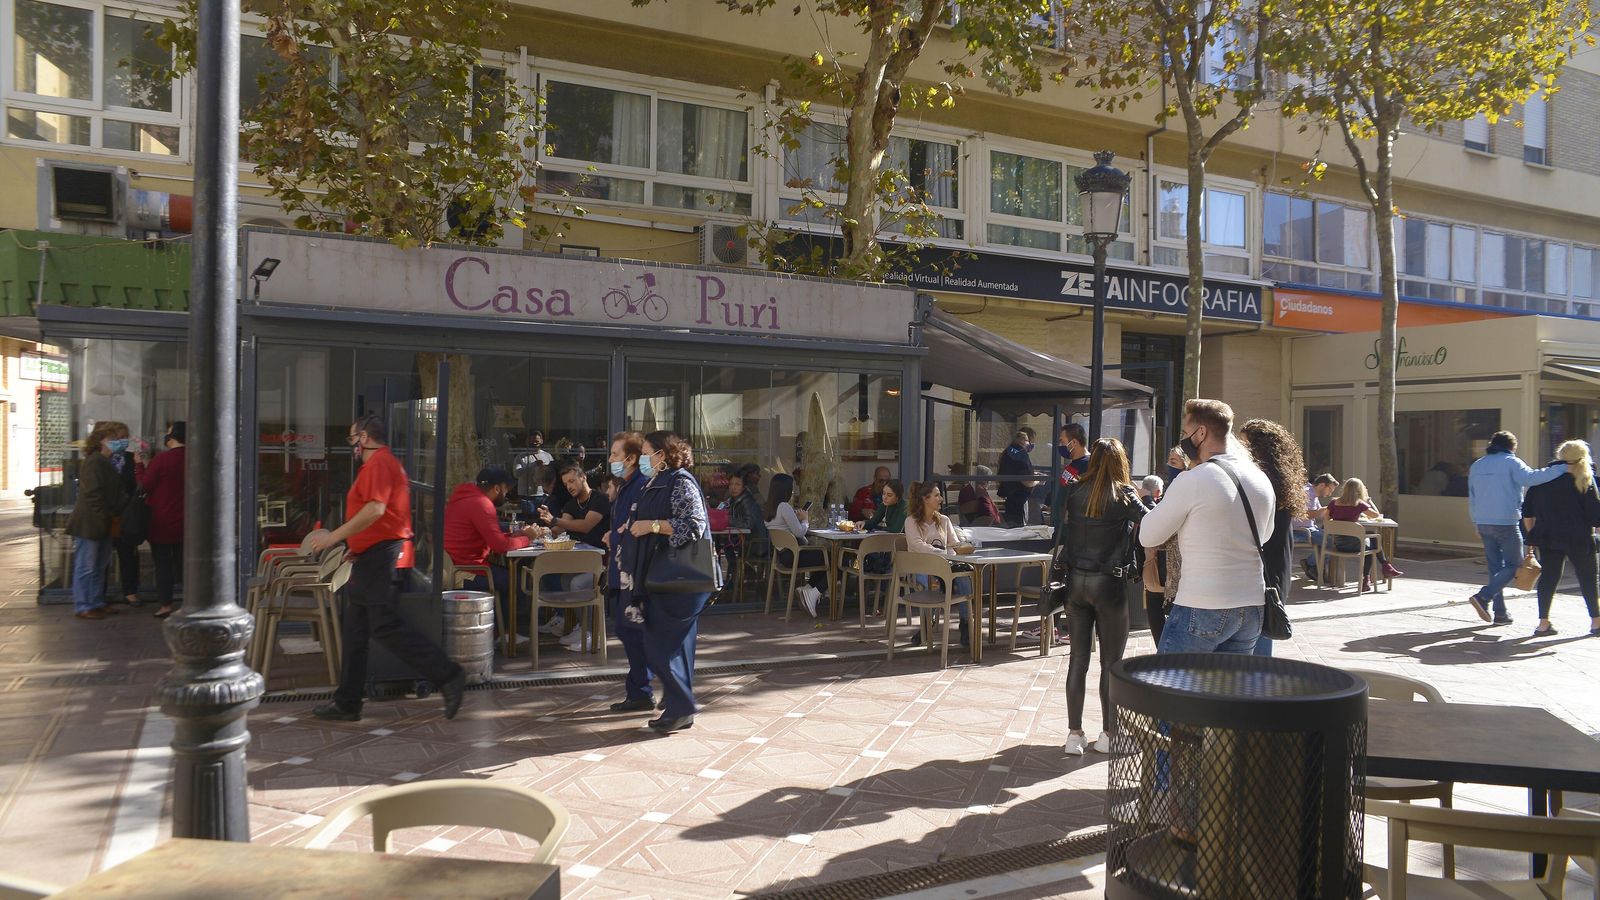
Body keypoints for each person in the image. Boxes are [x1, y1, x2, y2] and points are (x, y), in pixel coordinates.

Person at [311, 415, 466, 722]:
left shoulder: (380, 463)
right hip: (371, 556)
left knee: (383, 625)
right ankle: (347, 702)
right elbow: (376, 516)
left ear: (364, 437)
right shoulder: (377, 465)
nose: (351, 445)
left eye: (352, 438)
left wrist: (334, 537)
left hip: (382, 557)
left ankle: (448, 675)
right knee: (355, 630)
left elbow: (375, 509)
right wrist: (356, 547)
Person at [1139, 399, 1275, 655]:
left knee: (1171, 679)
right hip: (1251, 605)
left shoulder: (1194, 479)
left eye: (1185, 432)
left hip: (1202, 603)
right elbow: (1264, 535)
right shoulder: (1260, 478)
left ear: (1200, 432)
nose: (1183, 439)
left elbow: (1148, 535)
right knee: (1228, 682)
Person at [1057, 438, 1147, 756]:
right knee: (1111, 662)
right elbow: (1151, 522)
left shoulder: (1076, 490)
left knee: (1077, 660)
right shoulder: (1123, 494)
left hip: (1075, 582)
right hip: (1108, 583)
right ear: (1121, 462)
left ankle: (1074, 734)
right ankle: (1109, 734)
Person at [626, 431, 713, 734]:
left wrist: (650, 526)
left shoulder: (680, 481)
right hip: (664, 578)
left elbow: (694, 525)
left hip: (678, 580)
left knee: (658, 646)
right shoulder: (657, 482)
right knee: (677, 648)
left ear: (661, 455)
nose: (642, 458)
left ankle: (681, 706)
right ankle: (679, 707)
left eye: (646, 452)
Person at [1467, 430, 1567, 625]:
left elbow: (1472, 496)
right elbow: (1530, 478)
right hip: (1506, 522)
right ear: (1512, 446)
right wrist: (1561, 468)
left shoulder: (1477, 465)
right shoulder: (1512, 462)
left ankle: (1500, 613)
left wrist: (1475, 522)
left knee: (1495, 568)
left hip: (1483, 522)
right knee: (1514, 564)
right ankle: (1483, 596)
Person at [1238, 419, 1310, 658]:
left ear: (1259, 449)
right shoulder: (1279, 481)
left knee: (1259, 637)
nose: (1238, 449)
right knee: (1262, 635)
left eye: (1244, 445)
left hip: (1264, 568)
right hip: (1275, 565)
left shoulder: (1260, 482)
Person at [1523, 440, 1600, 637]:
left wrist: (1532, 537)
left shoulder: (1543, 478)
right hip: (1579, 537)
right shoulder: (1585, 479)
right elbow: (1595, 516)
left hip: (1548, 537)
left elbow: (1527, 512)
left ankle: (1543, 624)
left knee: (1548, 578)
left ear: (1560, 456)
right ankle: (1596, 622)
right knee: (1588, 579)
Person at [605, 431, 656, 714]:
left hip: (633, 572)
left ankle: (642, 690)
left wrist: (616, 535)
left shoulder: (640, 486)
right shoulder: (625, 486)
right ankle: (640, 690)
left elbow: (635, 526)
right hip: (623, 568)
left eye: (615, 454)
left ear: (631, 458)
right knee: (627, 630)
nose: (610, 459)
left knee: (631, 629)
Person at [444, 465, 543, 604]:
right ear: (497, 488)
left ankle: (500, 616)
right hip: (466, 572)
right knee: (521, 581)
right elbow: (500, 546)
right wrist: (528, 538)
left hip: (451, 567)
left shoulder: (463, 498)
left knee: (510, 575)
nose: (507, 493)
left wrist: (518, 534)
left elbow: (490, 537)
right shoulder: (482, 503)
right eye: (506, 489)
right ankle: (513, 619)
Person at [66, 421, 130, 621]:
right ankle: (84, 605)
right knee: (87, 566)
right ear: (101, 441)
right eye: (112, 439)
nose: (117, 442)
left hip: (103, 520)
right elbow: (92, 493)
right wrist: (105, 515)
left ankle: (96, 602)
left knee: (99, 565)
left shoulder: (105, 461)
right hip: (91, 522)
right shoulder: (95, 461)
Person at [903, 480, 974, 648]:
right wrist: (942, 552)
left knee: (964, 579)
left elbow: (954, 545)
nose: (941, 499)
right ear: (925, 499)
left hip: (945, 566)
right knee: (929, 581)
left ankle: (965, 623)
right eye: (937, 495)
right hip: (921, 567)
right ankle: (927, 623)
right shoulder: (911, 521)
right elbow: (917, 545)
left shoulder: (944, 520)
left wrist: (960, 549)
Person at [140, 422, 187, 619]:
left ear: (173, 436)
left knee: (163, 564)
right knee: (185, 564)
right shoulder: (196, 459)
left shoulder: (162, 459)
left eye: (168, 433)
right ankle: (191, 602)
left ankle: (165, 605)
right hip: (187, 521)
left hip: (162, 519)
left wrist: (139, 467)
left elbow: (145, 485)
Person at [766, 473, 829, 616]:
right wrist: (805, 519)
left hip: (783, 556)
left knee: (825, 558)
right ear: (785, 490)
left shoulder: (769, 507)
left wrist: (794, 517)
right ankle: (814, 592)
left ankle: (808, 589)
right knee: (833, 559)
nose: (793, 491)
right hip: (795, 556)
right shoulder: (784, 506)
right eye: (791, 488)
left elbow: (782, 525)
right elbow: (800, 532)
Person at [1325, 478, 1402, 591]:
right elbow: (1376, 515)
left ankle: (1379, 571)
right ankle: (1379, 570)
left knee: (1370, 539)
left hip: (1339, 544)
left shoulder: (1333, 502)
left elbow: (1326, 521)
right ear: (1360, 490)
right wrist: (1368, 500)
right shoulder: (1359, 504)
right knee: (1373, 542)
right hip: (1355, 546)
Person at [1297, 474, 1339, 582]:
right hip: (1300, 530)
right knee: (1331, 542)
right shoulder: (1306, 493)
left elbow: (1320, 514)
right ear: (1322, 485)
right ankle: (1310, 564)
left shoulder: (1314, 495)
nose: (1330, 494)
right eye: (1330, 490)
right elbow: (1303, 514)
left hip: (1309, 528)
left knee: (1333, 539)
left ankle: (1315, 566)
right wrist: (1323, 510)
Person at [997, 427, 1038, 526]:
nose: (1031, 444)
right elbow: (1026, 481)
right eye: (1030, 441)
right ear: (1024, 439)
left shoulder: (1009, 451)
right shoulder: (1020, 454)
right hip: (1019, 499)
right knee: (1019, 528)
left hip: (1010, 498)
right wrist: (1038, 480)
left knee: (1012, 526)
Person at [724, 470, 769, 558]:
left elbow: (748, 524)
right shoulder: (732, 500)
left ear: (744, 487)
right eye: (731, 484)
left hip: (755, 543)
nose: (733, 487)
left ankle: (734, 566)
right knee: (723, 541)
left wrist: (728, 520)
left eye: (737, 484)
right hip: (744, 540)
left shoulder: (747, 501)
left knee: (727, 544)